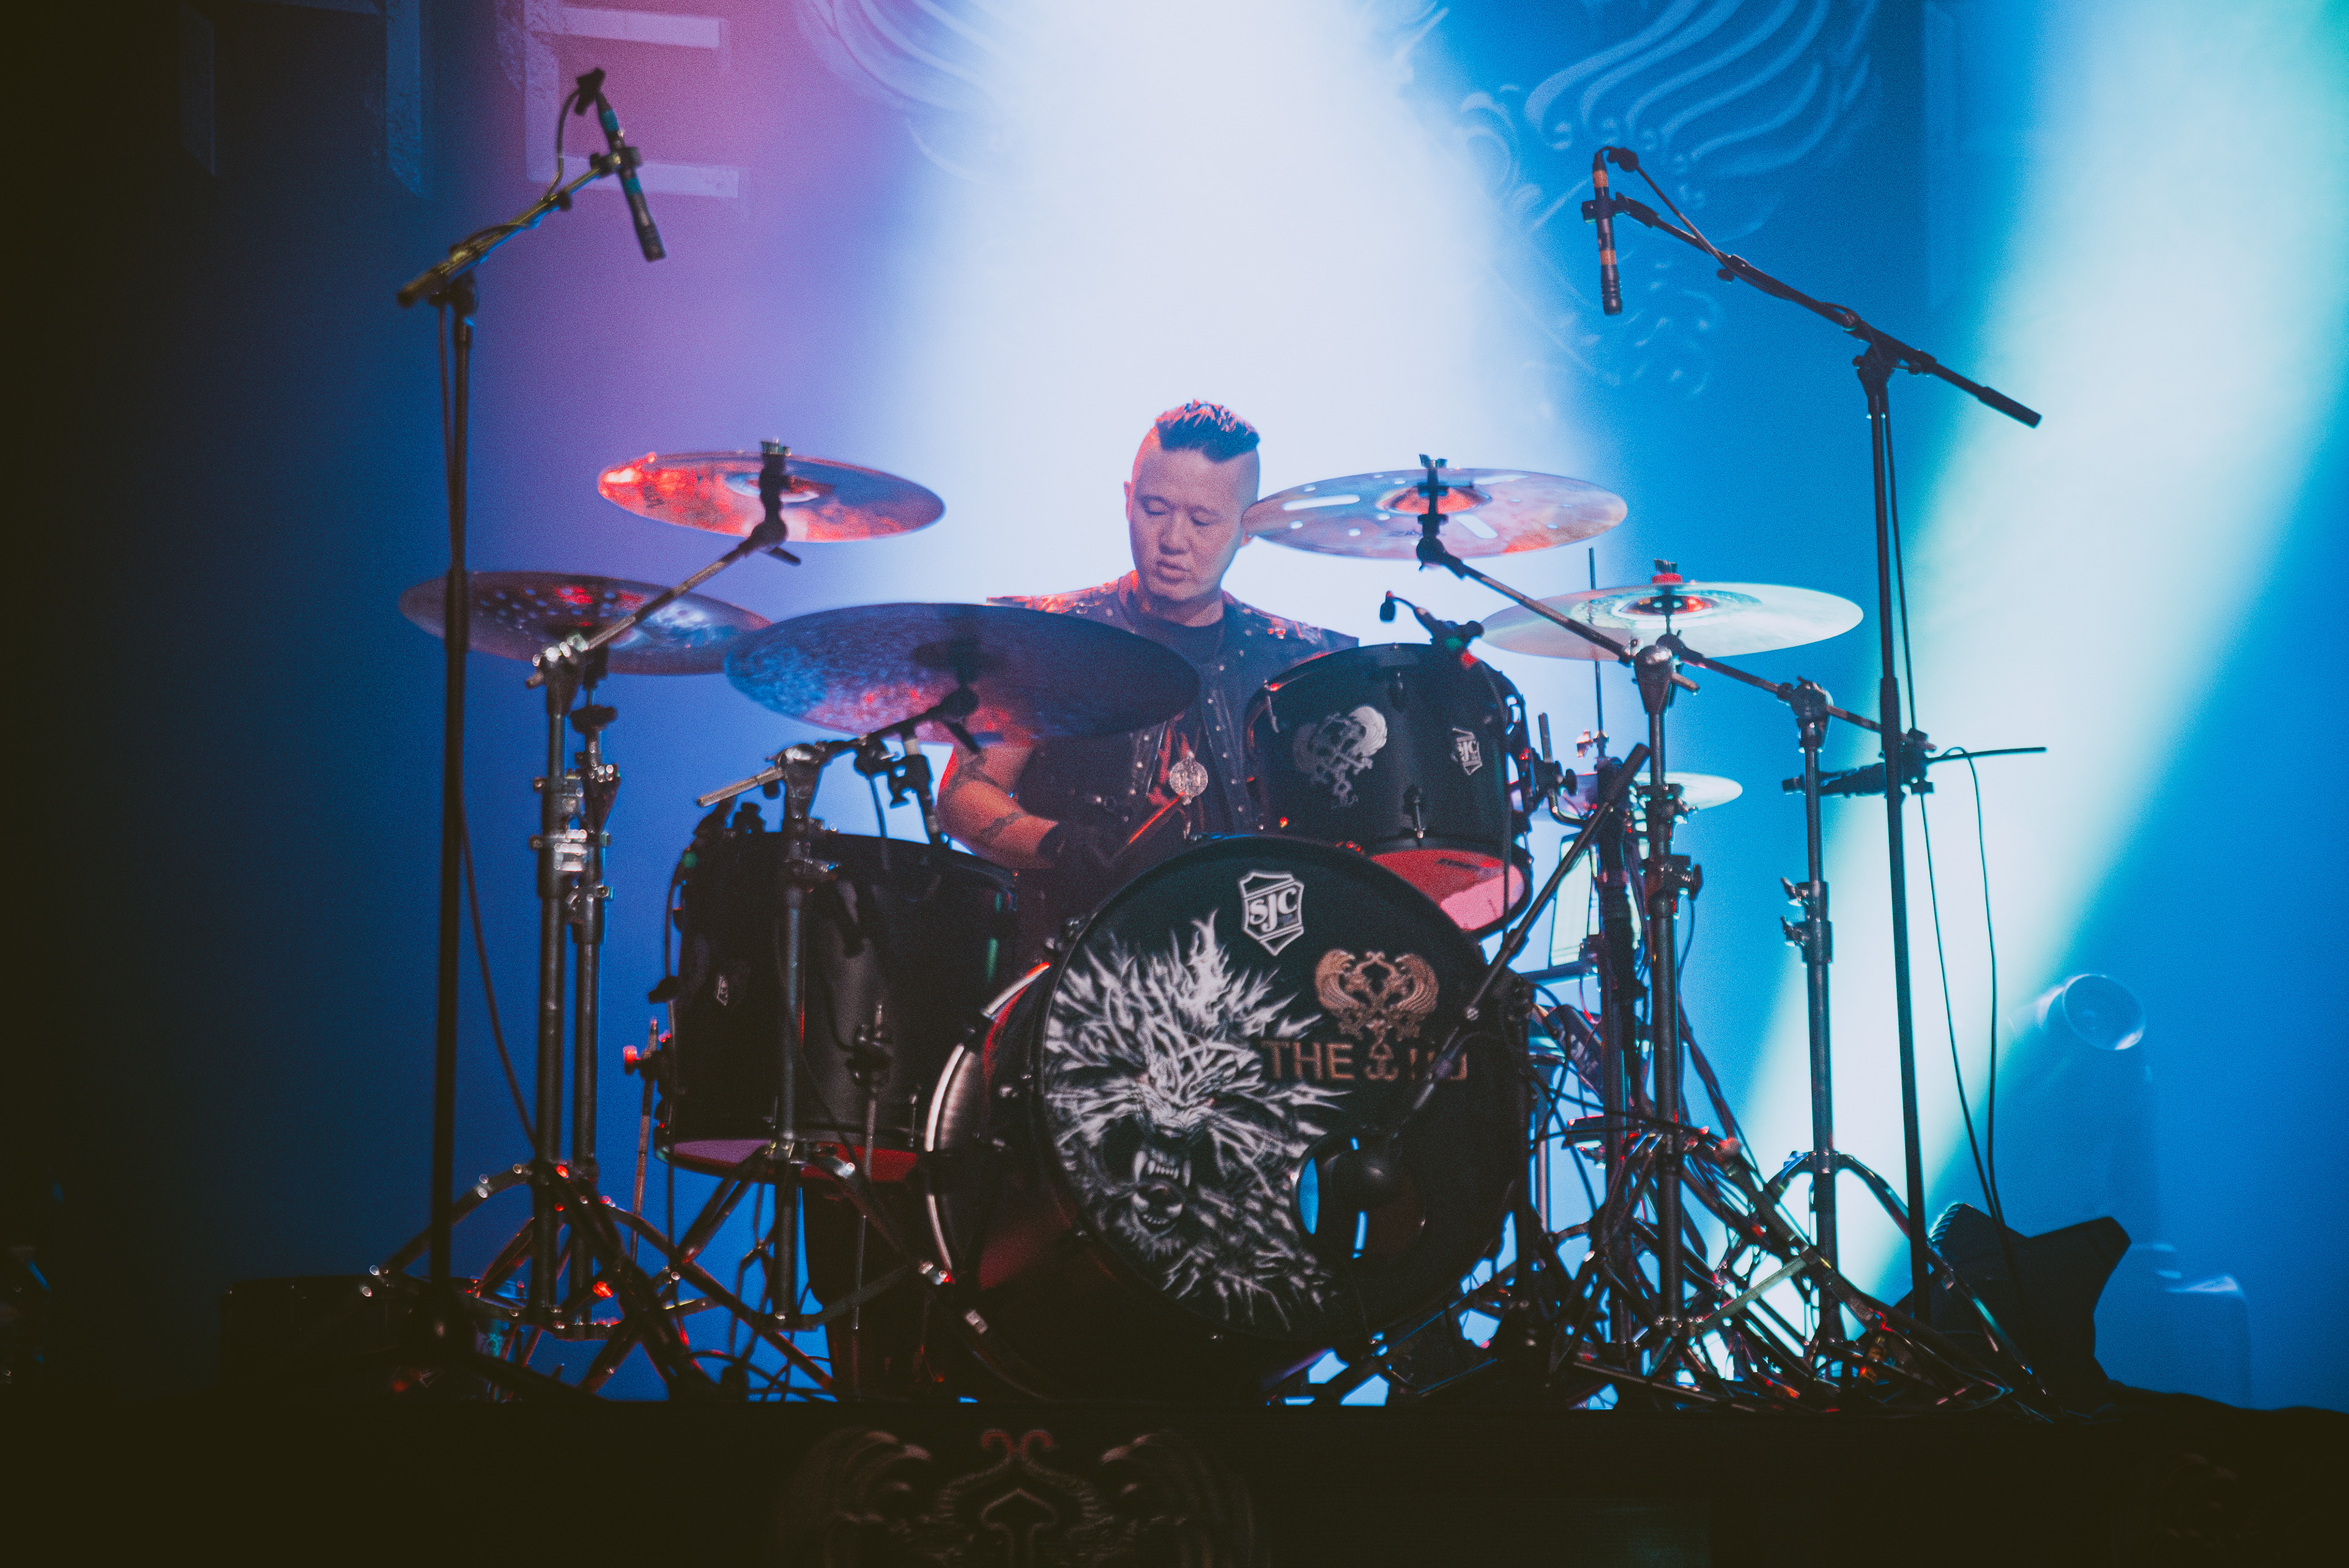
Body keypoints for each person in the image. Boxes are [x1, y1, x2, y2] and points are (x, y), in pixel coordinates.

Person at [937, 401, 1354, 964]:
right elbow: (962, 795)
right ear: (1127, 499)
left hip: (1254, 967)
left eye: (1203, 521)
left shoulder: (1303, 662)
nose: (1173, 539)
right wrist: (1059, 844)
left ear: (1248, 527)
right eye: (1154, 509)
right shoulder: (1045, 636)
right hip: (1074, 964)